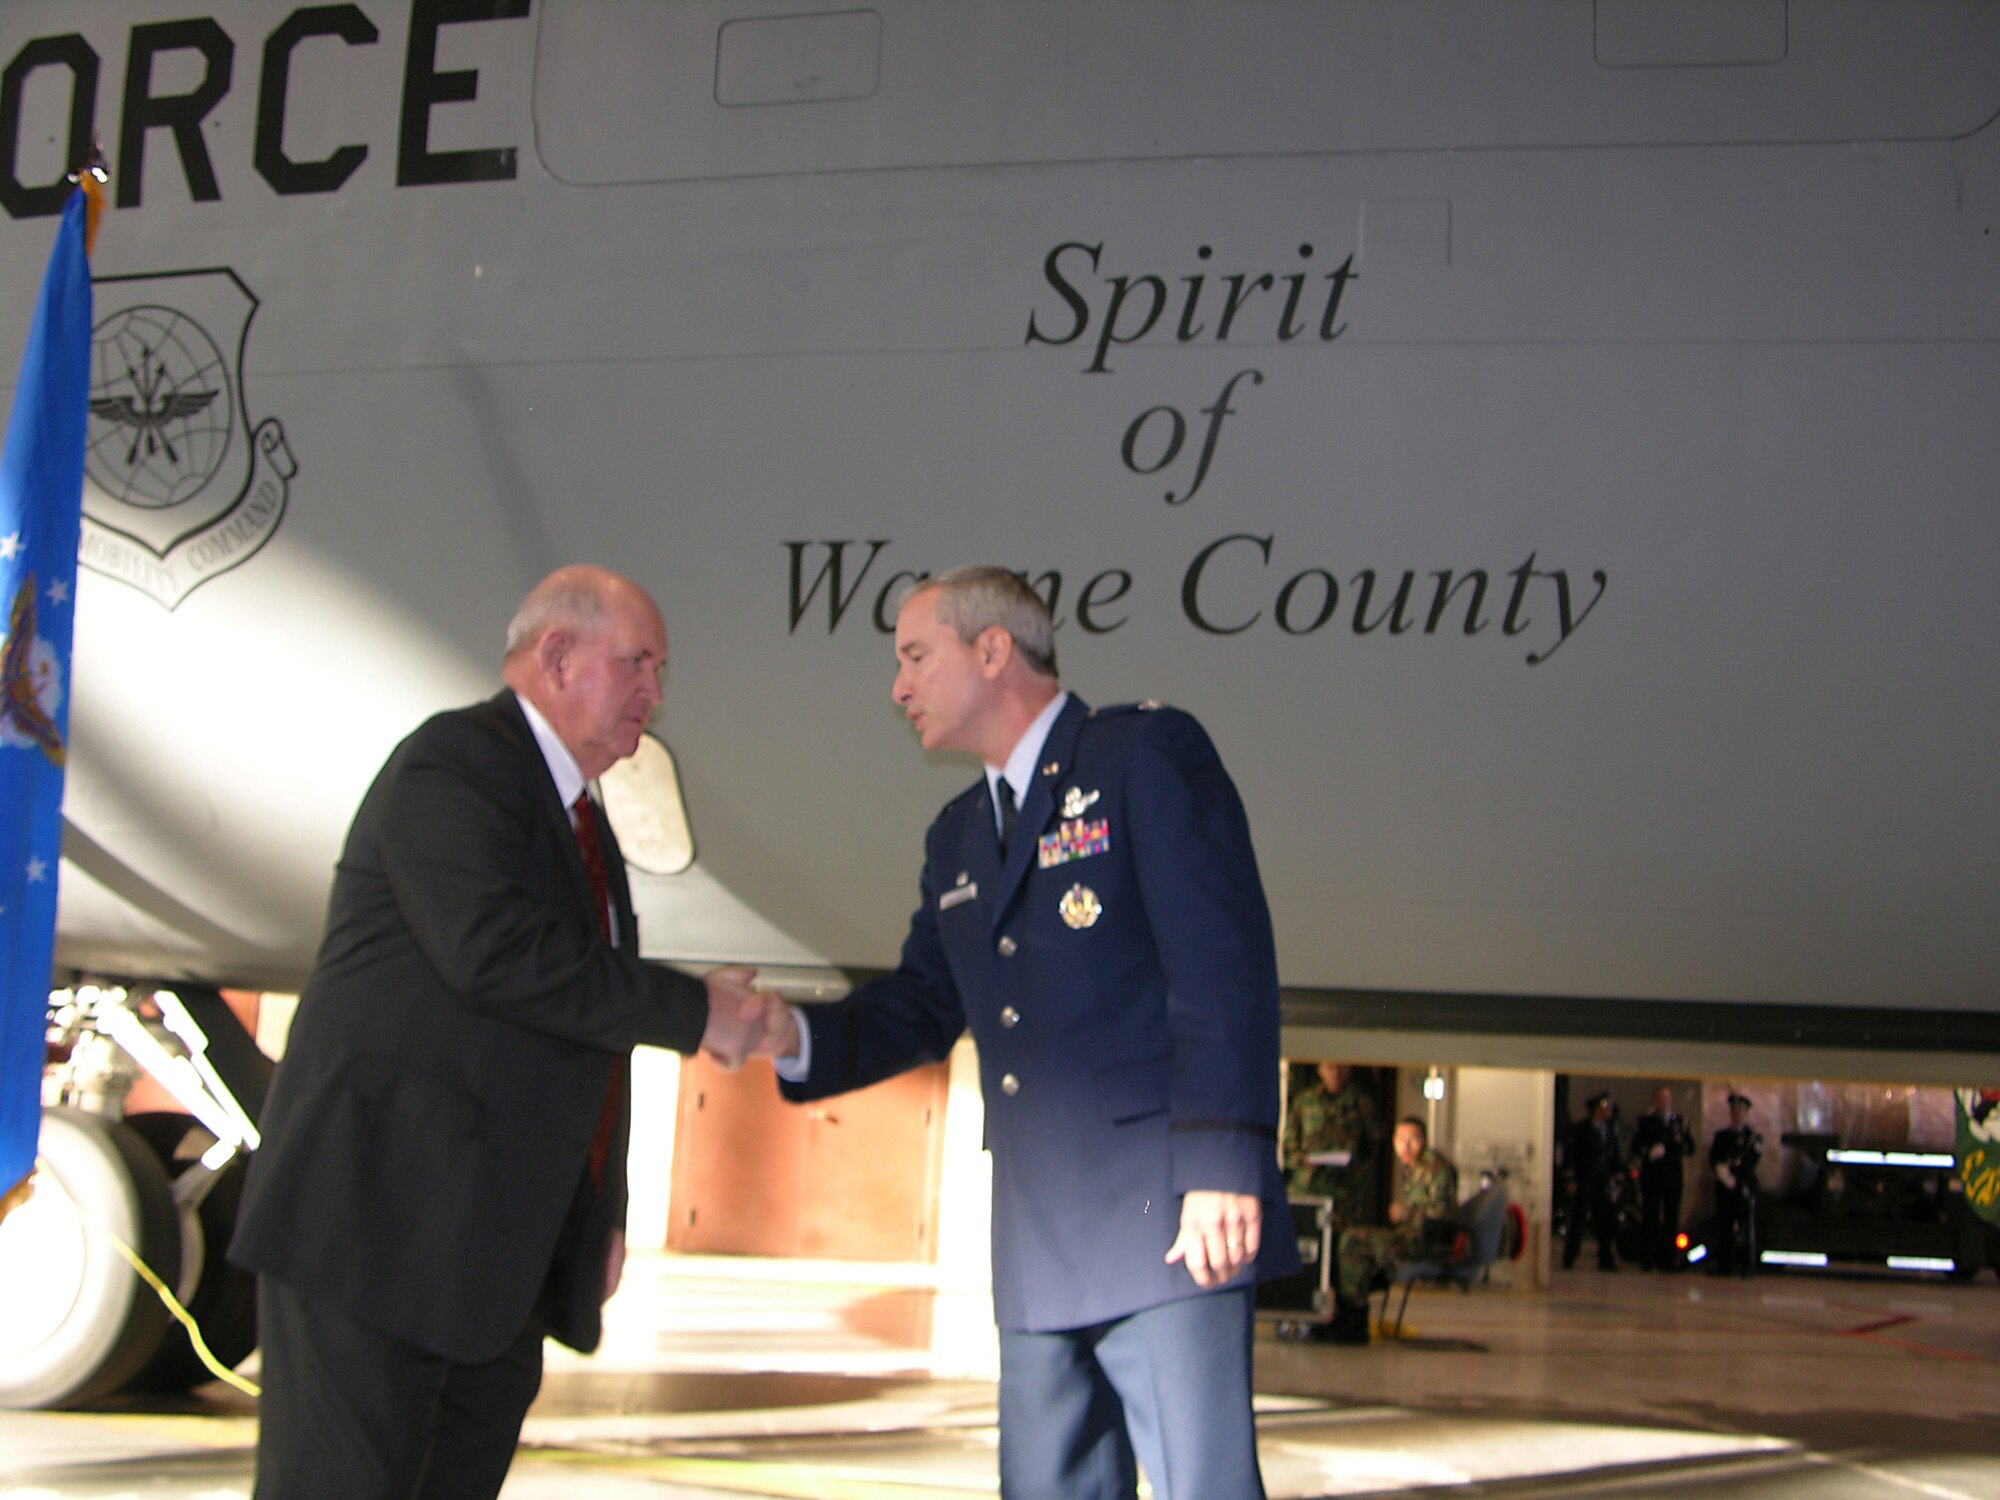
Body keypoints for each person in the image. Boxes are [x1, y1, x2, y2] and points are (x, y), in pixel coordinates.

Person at [756, 566, 1297, 1500]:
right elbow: (924, 1005)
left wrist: (1222, 1164)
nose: (900, 687)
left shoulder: (1142, 756)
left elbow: (1220, 964)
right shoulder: (960, 834)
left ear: (994, 648)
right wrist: (787, 1033)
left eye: (915, 656)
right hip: (1038, 1239)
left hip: (1165, 1221)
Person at [230, 566, 769, 1500]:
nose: (655, 694)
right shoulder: (457, 763)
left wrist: (597, 1214)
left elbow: (583, 1042)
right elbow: (496, 955)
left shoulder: (581, 820)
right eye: (637, 663)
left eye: (660, 672)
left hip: (491, 1261)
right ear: (556, 656)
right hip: (378, 1233)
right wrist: (697, 1011)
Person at [1328, 1117, 1458, 1344]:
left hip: (1425, 1243)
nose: (1406, 1147)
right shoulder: (1413, 1168)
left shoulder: (1438, 1169)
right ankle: (1349, 1317)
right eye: (1400, 1140)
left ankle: (1353, 1321)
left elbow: (1441, 1216)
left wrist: (1405, 1213)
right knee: (1352, 1241)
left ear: (1424, 1140)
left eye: (1413, 1139)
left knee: (1354, 1242)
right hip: (1409, 1237)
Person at [1282, 1061, 1378, 1230]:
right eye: (1330, 1067)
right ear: (1320, 1070)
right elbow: (1288, 1141)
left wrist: (1358, 1169)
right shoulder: (1305, 1101)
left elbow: (1372, 1144)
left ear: (1349, 1069)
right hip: (1306, 1186)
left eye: (1341, 1067)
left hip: (1344, 1189)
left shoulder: (1360, 1102)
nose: (1335, 1073)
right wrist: (1301, 1159)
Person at [1630, 1084, 1695, 1271]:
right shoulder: (1646, 1122)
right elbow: (1638, 1146)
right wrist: (1649, 1152)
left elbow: (1689, 1146)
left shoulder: (1679, 1123)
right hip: (1652, 1177)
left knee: (1671, 1219)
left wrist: (1673, 1148)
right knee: (1650, 1217)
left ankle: (1667, 1260)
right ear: (1655, 1101)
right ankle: (1648, 1259)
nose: (1663, 1103)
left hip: (1672, 1177)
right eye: (1660, 1099)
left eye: (1666, 1099)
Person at [1562, 1092, 1623, 1271]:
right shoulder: (1581, 1130)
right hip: (1585, 1181)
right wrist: (1571, 1179)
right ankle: (1570, 1257)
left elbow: (1614, 1156)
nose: (1609, 1110)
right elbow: (1571, 1156)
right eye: (1605, 1106)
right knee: (1578, 1220)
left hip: (1603, 1183)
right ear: (1596, 1109)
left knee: (1604, 1221)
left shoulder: (1610, 1130)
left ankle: (1606, 1259)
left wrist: (1617, 1177)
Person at [1710, 1092, 1763, 1277]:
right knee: (1724, 1225)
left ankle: (1747, 1266)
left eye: (1740, 1111)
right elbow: (1714, 1158)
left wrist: (1736, 1176)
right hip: (1725, 1186)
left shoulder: (1752, 1137)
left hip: (1743, 1185)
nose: (1736, 1114)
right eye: (1734, 1111)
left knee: (1745, 1226)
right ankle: (1724, 1265)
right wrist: (1721, 1171)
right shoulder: (1722, 1136)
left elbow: (1751, 1160)